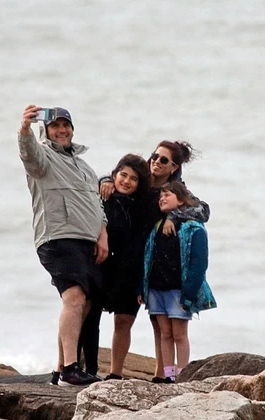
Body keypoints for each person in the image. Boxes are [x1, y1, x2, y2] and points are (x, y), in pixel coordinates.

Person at [100, 140, 210, 382]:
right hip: (129, 261)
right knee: (123, 319)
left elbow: (203, 211)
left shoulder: (176, 188)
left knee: (161, 325)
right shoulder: (141, 180)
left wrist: (175, 214)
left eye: (163, 160)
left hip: (157, 266)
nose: (155, 162)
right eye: (154, 156)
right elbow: (117, 176)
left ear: (174, 167)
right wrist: (104, 182)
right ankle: (115, 373)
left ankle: (163, 376)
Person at [17, 104, 108, 386]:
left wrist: (102, 233)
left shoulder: (84, 166)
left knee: (85, 302)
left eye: (65, 125)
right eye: (55, 126)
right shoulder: (42, 156)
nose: (61, 130)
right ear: (47, 130)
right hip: (57, 237)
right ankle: (71, 368)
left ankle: (60, 369)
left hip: (85, 240)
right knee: (75, 298)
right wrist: (24, 129)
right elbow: (28, 154)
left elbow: (97, 204)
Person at [139, 181, 217, 383]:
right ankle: (168, 374)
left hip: (178, 290)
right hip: (156, 288)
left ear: (181, 200)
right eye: (161, 196)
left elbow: (199, 263)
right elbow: (148, 258)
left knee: (179, 334)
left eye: (168, 195)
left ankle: (182, 374)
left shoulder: (193, 228)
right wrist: (143, 288)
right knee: (165, 333)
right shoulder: (157, 226)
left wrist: (189, 293)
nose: (162, 198)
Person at [92, 154, 152, 381]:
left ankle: (115, 372)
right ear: (115, 175)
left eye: (133, 179)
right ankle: (77, 367)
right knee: (89, 317)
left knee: (123, 321)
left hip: (130, 272)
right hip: (102, 265)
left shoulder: (144, 206)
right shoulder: (104, 195)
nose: (126, 181)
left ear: (140, 184)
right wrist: (104, 180)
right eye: (122, 175)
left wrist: (141, 283)